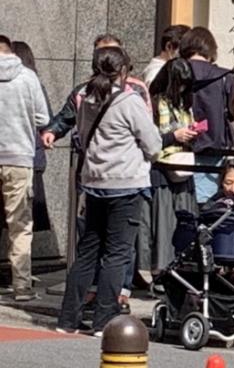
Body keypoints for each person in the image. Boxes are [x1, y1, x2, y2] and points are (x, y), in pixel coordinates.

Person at [56, 47, 161, 335]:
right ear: (124, 70)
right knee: (116, 254)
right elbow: (153, 144)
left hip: (93, 183)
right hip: (126, 183)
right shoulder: (129, 101)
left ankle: (68, 320)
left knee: (88, 251)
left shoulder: (86, 99)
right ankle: (104, 320)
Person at [0, 36, 49, 302]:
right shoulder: (28, 77)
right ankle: (21, 286)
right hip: (19, 157)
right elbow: (42, 118)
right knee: (20, 224)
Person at [146, 58, 199, 278]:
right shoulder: (154, 103)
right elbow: (148, 137)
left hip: (183, 166)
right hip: (161, 167)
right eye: (180, 84)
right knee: (164, 223)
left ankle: (183, 269)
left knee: (186, 220)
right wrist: (173, 136)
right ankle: (161, 271)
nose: (184, 88)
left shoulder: (184, 105)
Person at [179, 27, 234, 204]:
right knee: (208, 205)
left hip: (177, 150)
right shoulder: (224, 78)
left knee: (180, 207)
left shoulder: (174, 73)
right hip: (214, 150)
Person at [11, 42, 53, 255]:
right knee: (22, 222)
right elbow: (46, 119)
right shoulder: (34, 83)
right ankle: (21, 279)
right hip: (29, 158)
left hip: (12, 157)